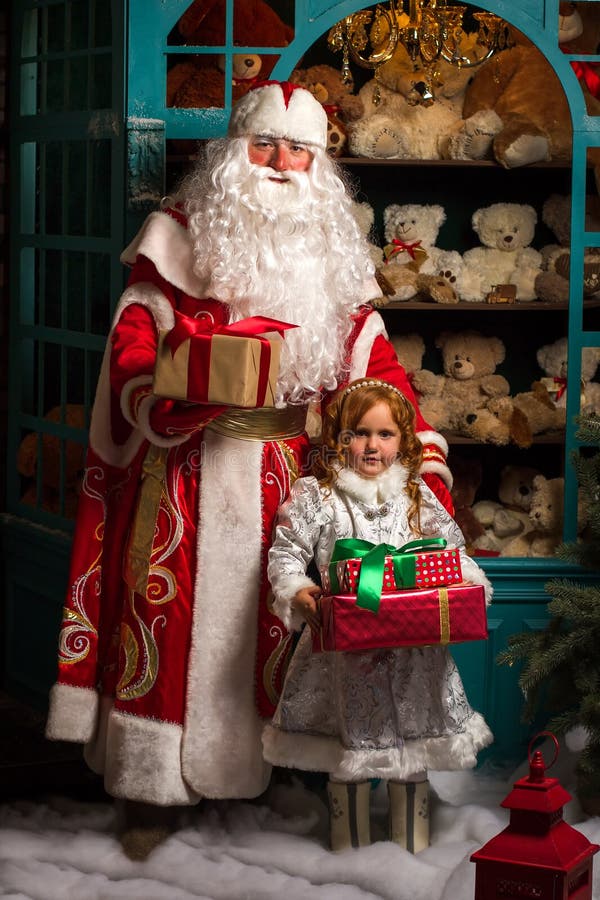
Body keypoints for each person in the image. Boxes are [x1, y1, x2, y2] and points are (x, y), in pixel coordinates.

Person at [45, 82, 454, 842]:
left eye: (299, 150)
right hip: (184, 470)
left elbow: (375, 372)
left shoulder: (332, 255)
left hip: (289, 479)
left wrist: (420, 458)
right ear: (234, 153)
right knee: (165, 619)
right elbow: (131, 348)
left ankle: (269, 770)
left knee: (280, 624)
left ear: (319, 165)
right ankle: (149, 788)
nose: (281, 164)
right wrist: (172, 385)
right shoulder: (177, 236)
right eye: (266, 145)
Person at [264, 378, 493, 853]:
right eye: (359, 433)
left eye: (385, 435)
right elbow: (286, 552)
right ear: (340, 438)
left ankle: (411, 850)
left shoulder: (414, 493)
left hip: (414, 647)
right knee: (349, 747)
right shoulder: (316, 496)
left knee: (412, 745)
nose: (372, 446)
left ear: (403, 441)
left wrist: (465, 581)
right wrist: (299, 590)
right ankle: (350, 851)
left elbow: (451, 546)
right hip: (343, 649)